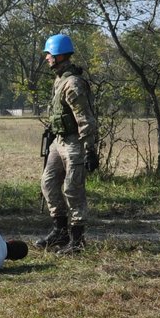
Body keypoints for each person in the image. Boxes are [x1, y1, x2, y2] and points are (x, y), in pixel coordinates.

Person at [36, 33, 100, 253]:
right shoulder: (60, 79)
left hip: (75, 143)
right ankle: (60, 232)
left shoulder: (73, 83)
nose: (47, 58)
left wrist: (90, 149)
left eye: (49, 54)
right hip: (60, 140)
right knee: (48, 182)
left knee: (73, 189)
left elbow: (85, 118)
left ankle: (77, 241)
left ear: (60, 55)